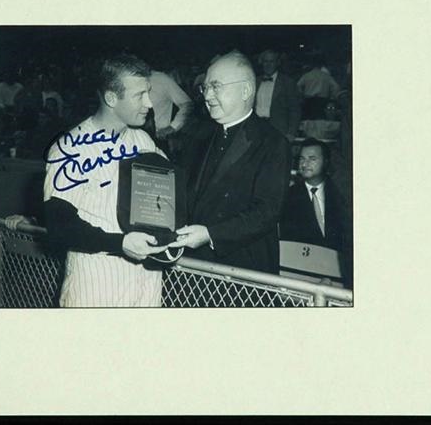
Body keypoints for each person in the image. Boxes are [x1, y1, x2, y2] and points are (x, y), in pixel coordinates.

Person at [42, 53, 169, 307]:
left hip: (147, 283)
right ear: (111, 98)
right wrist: (120, 243)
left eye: (149, 92)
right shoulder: (69, 148)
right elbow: (59, 226)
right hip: (97, 286)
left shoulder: (143, 141)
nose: (150, 103)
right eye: (139, 96)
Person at [168, 51, 291, 274]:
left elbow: (267, 212)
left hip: (243, 271)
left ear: (246, 90)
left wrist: (211, 234)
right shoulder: (197, 135)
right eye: (205, 87)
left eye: (216, 86)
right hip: (195, 269)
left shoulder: (273, 143)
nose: (207, 95)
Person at [279, 138, 352, 287]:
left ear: (326, 162)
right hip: (304, 275)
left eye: (312, 159)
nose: (305, 164)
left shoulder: (342, 193)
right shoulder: (287, 196)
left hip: (342, 275)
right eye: (302, 159)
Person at [255, 50, 301, 142]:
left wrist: (291, 133)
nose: (268, 64)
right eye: (265, 61)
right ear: (262, 63)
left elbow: (295, 110)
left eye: (271, 61)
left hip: (279, 130)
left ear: (277, 63)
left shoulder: (288, 83)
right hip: (257, 129)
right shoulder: (255, 81)